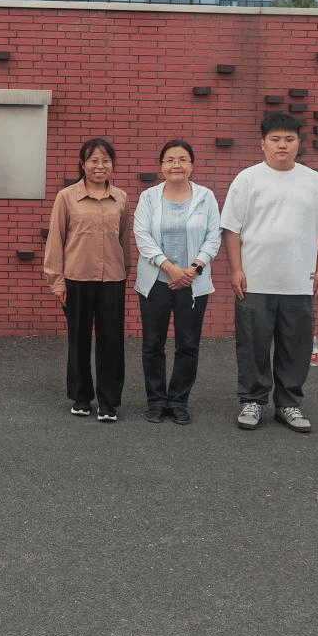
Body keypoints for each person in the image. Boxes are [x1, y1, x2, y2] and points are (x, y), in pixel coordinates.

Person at [220, 112, 318, 434]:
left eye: (289, 139)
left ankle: (289, 403)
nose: (282, 145)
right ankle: (252, 401)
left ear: (299, 143)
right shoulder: (247, 180)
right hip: (255, 281)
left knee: (295, 347)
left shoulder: (314, 182)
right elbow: (231, 229)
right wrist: (236, 269)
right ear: (262, 144)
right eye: (275, 139)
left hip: (298, 282)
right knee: (253, 346)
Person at [43, 137, 133, 422]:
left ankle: (109, 402)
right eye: (94, 160)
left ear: (112, 165)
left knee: (111, 342)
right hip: (76, 278)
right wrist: (57, 281)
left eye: (106, 160)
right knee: (79, 340)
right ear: (82, 164)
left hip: (112, 280)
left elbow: (124, 239)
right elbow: (55, 239)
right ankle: (81, 397)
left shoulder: (121, 198)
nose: (100, 166)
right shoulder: (66, 197)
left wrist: (126, 271)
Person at [133, 140, 222, 425]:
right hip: (156, 282)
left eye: (183, 159)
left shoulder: (206, 196)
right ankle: (156, 401)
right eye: (170, 160)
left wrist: (193, 269)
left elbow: (214, 236)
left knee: (188, 344)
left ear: (192, 165)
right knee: (153, 344)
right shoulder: (148, 197)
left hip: (193, 283)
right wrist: (171, 269)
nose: (176, 165)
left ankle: (178, 401)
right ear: (161, 165)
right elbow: (142, 236)